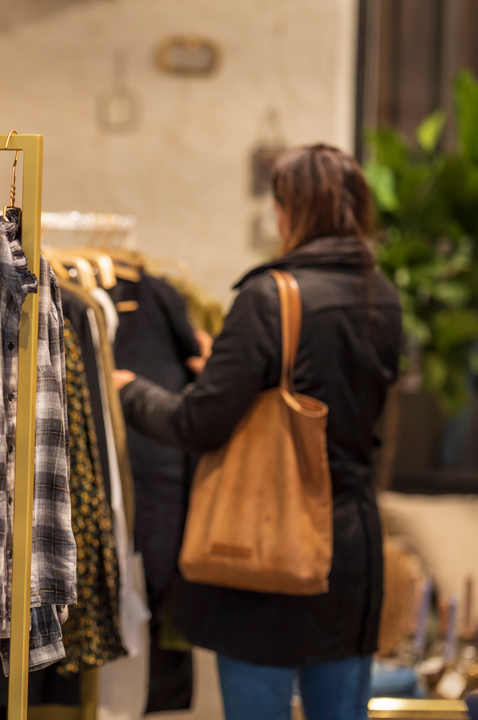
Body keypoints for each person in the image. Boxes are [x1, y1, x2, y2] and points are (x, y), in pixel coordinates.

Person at [113, 144, 402, 720]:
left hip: (265, 546)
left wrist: (127, 390)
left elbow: (196, 422)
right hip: (350, 549)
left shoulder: (271, 296)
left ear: (290, 210)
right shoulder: (383, 297)